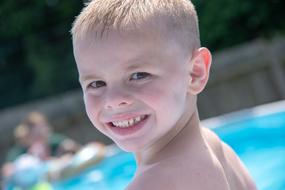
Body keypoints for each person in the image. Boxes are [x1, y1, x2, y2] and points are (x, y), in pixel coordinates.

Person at [71, 0, 257, 189]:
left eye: (138, 75)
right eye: (96, 83)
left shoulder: (155, 184)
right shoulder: (219, 151)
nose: (114, 100)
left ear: (195, 73)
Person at [2, 111, 81, 180]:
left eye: (44, 131)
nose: (44, 133)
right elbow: (7, 170)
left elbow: (75, 148)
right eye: (37, 135)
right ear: (28, 135)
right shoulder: (20, 151)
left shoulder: (54, 141)